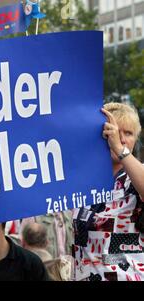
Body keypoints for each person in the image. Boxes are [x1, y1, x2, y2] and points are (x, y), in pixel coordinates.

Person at [73, 102, 144, 281]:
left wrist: (120, 150)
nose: (120, 138)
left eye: (128, 133)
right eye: (114, 130)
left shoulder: (135, 175)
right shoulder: (81, 179)